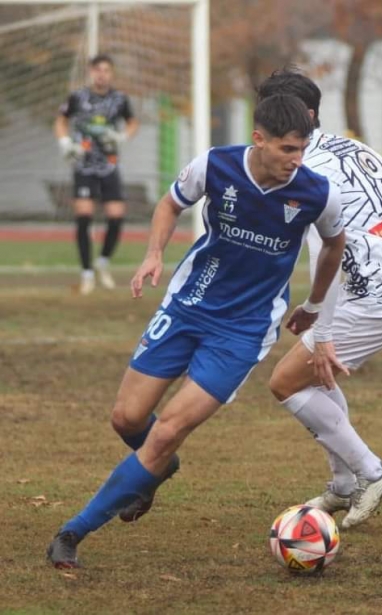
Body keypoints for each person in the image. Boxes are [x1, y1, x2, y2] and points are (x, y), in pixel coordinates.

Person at [46, 94, 346, 568]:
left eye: (302, 148)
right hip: (188, 305)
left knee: (166, 432)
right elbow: (169, 205)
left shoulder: (317, 192)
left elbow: (334, 245)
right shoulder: (215, 166)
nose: (297, 159)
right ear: (259, 139)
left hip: (244, 330)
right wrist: (153, 254)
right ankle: (155, 470)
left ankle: (71, 534)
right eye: (287, 148)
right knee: (127, 419)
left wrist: (312, 304)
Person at [257, 69, 382, 529]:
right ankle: (343, 486)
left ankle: (374, 473)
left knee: (284, 383)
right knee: (317, 379)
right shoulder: (351, 145)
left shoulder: (304, 173)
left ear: (304, 116)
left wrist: (323, 327)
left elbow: (323, 257)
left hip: (375, 299)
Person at [55, 53, 139, 295]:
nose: (101, 74)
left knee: (116, 215)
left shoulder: (120, 99)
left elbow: (132, 122)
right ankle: (87, 273)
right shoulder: (78, 97)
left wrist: (122, 137)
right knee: (84, 215)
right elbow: (61, 120)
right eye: (97, 70)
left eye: (106, 70)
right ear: (91, 72)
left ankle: (102, 262)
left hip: (109, 165)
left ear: (111, 74)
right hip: (84, 165)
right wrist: (64, 143)